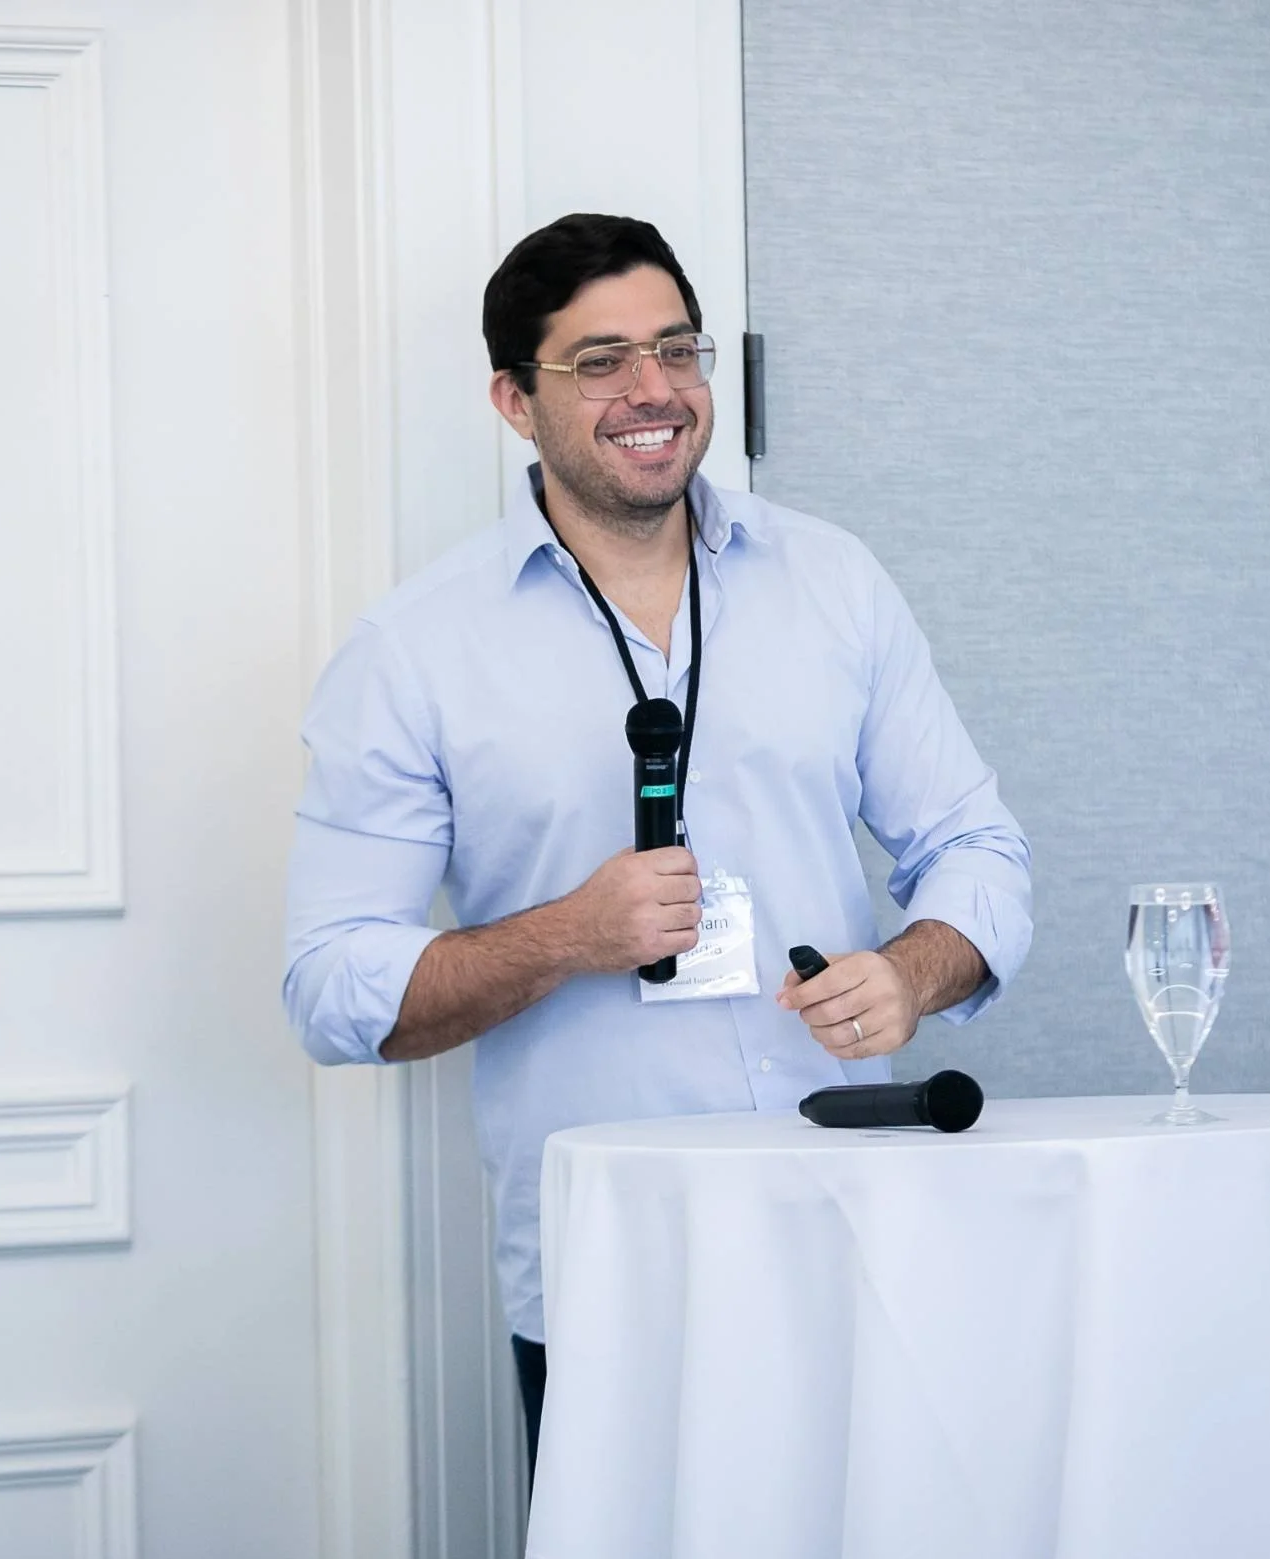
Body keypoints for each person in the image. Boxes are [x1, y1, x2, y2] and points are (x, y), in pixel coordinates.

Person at [281, 213, 1032, 1463]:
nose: (654, 391)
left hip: (858, 1220)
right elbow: (328, 987)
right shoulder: (412, 652)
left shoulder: (834, 582)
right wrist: (566, 936)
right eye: (601, 360)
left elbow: (976, 846)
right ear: (514, 401)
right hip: (609, 1267)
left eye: (677, 349)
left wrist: (914, 969)